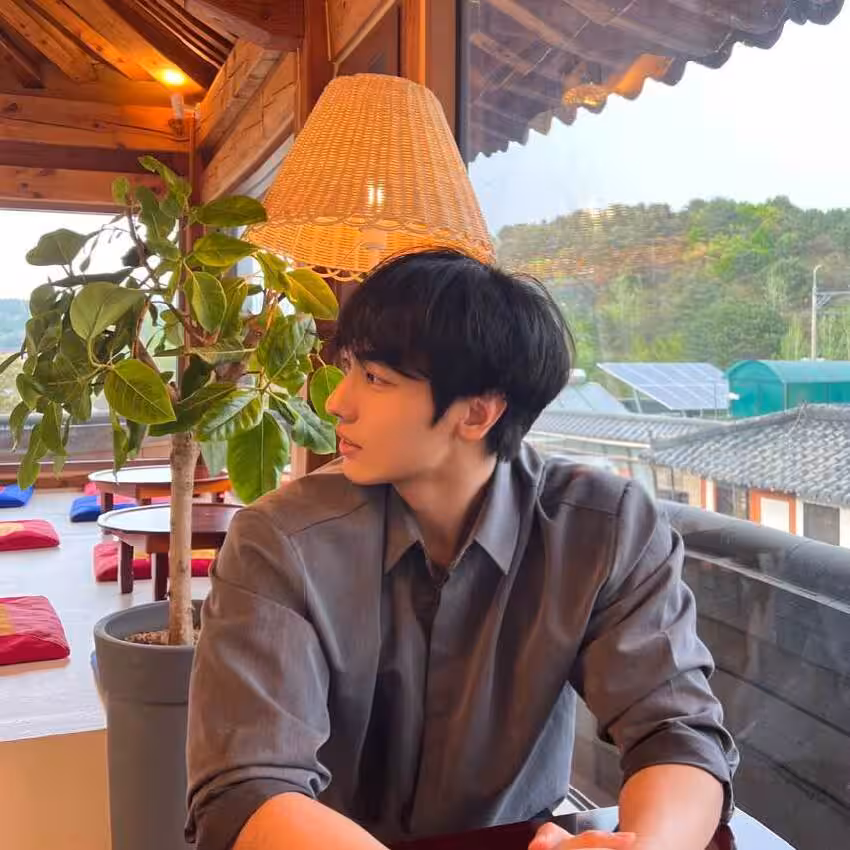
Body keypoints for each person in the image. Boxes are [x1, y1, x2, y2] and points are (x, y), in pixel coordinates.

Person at [186, 249, 738, 850]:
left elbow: (675, 730)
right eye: (349, 369)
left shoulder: (604, 528)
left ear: (477, 413)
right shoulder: (281, 540)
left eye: (376, 378)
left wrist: (646, 847)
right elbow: (249, 786)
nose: (337, 402)